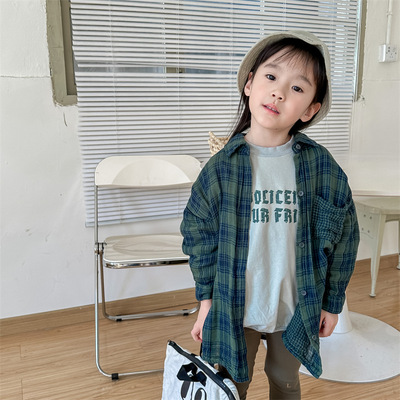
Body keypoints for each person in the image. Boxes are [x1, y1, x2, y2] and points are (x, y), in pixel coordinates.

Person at [180, 30, 360, 400]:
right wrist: (206, 302)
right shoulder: (221, 169)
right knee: (233, 383)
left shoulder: (322, 168)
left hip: (295, 306)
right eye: (271, 76)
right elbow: (199, 237)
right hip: (234, 304)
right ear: (249, 84)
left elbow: (345, 238)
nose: (279, 92)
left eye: (297, 88)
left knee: (284, 378)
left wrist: (332, 303)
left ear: (309, 110)